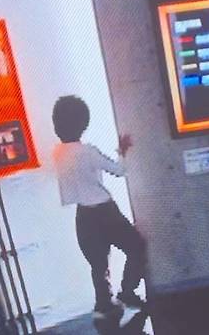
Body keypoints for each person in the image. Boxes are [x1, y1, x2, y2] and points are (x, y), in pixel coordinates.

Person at [52, 95, 147, 317]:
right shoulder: (88, 151)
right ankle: (128, 291)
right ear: (82, 122)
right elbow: (119, 171)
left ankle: (104, 304)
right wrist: (122, 150)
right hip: (105, 211)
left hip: (83, 215)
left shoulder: (57, 153)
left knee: (98, 263)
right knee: (136, 247)